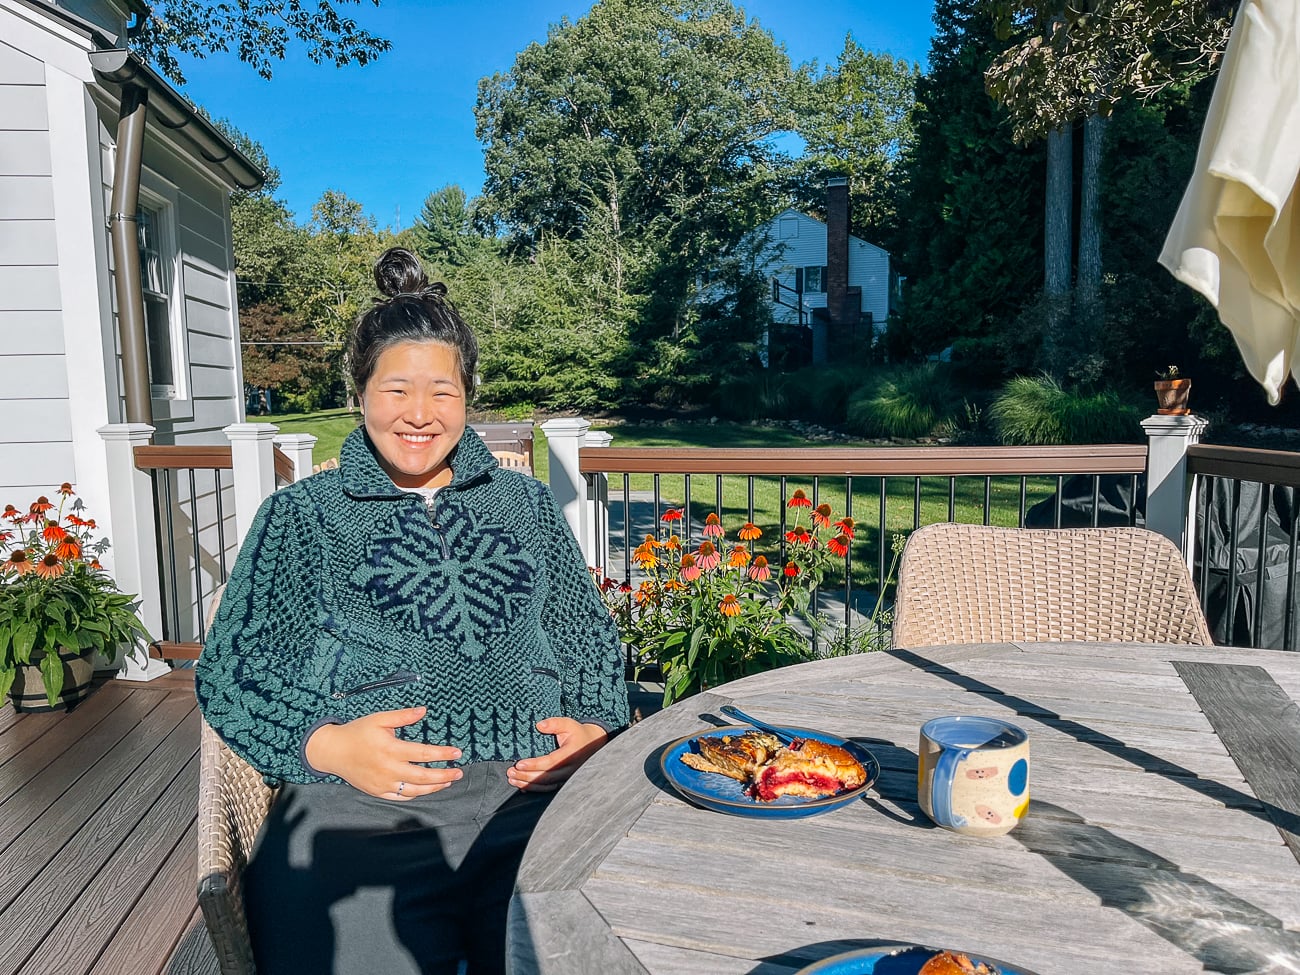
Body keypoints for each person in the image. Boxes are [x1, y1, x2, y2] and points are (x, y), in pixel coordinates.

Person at [197, 247, 629, 975]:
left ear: (469, 396)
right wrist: (325, 746)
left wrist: (594, 727)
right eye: (397, 389)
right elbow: (235, 669)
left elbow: (584, 634)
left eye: (444, 391)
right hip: (361, 811)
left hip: (533, 799)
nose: (421, 415)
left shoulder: (525, 504)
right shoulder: (305, 517)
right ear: (360, 390)